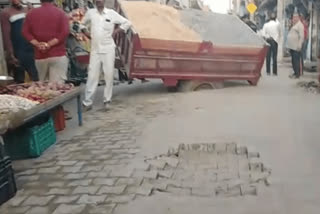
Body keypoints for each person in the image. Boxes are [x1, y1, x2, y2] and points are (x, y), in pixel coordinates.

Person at [81, 0, 131, 111]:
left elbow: (127, 23)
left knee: (108, 75)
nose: (99, 1)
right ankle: (87, 102)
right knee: (92, 75)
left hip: (108, 49)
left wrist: (117, 31)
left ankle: (107, 100)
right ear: (95, 1)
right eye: (97, 0)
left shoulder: (111, 13)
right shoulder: (91, 13)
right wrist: (85, 32)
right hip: (95, 50)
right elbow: (81, 24)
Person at [22, 0, 69, 83]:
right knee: (57, 88)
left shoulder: (31, 14)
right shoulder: (61, 13)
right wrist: (48, 44)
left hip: (40, 56)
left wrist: (37, 44)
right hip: (57, 55)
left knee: (43, 88)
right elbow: (64, 32)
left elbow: (25, 32)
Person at [0, 0, 38, 83]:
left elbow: (35, 28)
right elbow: (6, 35)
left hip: (32, 48)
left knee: (35, 77)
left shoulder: (28, 9)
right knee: (19, 79)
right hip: (18, 50)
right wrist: (10, 54)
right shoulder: (5, 12)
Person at [286, 13, 304, 79]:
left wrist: (299, 45)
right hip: (292, 46)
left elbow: (302, 36)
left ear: (298, 18)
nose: (294, 19)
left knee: (296, 61)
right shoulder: (294, 25)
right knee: (293, 60)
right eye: (293, 18)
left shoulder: (300, 25)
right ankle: (295, 72)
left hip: (296, 46)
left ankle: (297, 74)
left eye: (295, 18)